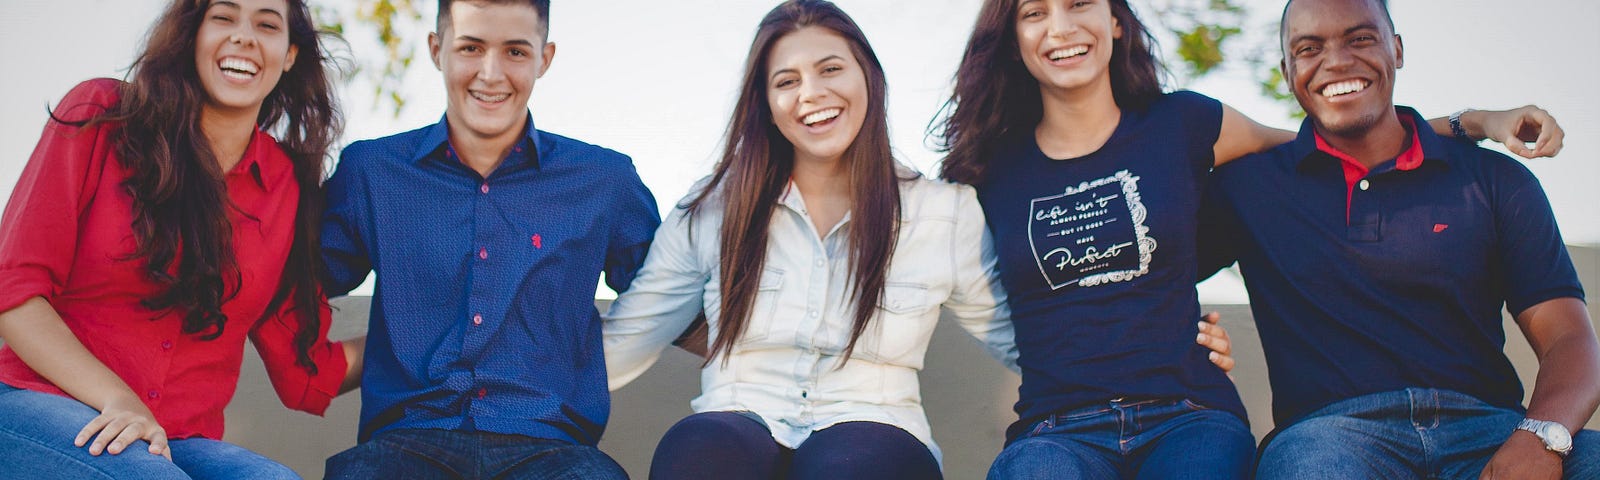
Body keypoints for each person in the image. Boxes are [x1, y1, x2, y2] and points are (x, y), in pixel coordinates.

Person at [600, 2, 1236, 479]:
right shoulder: (711, 211)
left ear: (869, 81)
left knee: (855, 464)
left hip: (875, 425)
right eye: (786, 81)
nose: (812, 94)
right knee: (698, 450)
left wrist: (1170, 334)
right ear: (766, 103)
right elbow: (627, 339)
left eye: (830, 70)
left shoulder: (943, 213)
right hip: (738, 412)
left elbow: (1034, 336)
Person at [931, 0, 1564, 478]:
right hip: (1057, 425)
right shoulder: (987, 168)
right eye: (1033, 12)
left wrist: (1472, 121)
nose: (1061, 27)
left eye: (1079, 4)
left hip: (1190, 414)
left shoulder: (1185, 123)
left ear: (1116, 21)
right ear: (1011, 38)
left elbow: (1335, 140)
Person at [1198, 0, 1599, 478]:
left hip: (1488, 431)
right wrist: (1189, 333)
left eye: (1360, 38)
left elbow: (1569, 337)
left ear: (1398, 49)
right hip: (1330, 438)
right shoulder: (1248, 187)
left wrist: (1541, 437)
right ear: (1288, 71)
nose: (1337, 60)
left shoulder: (1493, 179)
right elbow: (1135, 274)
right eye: (1309, 48)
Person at [0, 0, 362, 478]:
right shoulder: (102, 115)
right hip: (35, 404)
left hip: (176, 442)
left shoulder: (286, 188)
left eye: (267, 24)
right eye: (224, 17)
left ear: (290, 54)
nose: (245, 37)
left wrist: (423, 335)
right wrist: (116, 398)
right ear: (193, 35)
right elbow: (14, 291)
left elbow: (306, 373)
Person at [317, 0, 659, 478]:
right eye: (471, 48)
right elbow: (285, 282)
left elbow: (671, 296)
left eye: (516, 51)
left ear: (546, 57)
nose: (491, 73)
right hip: (404, 444)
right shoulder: (372, 172)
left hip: (553, 451)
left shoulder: (605, 181)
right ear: (437, 50)